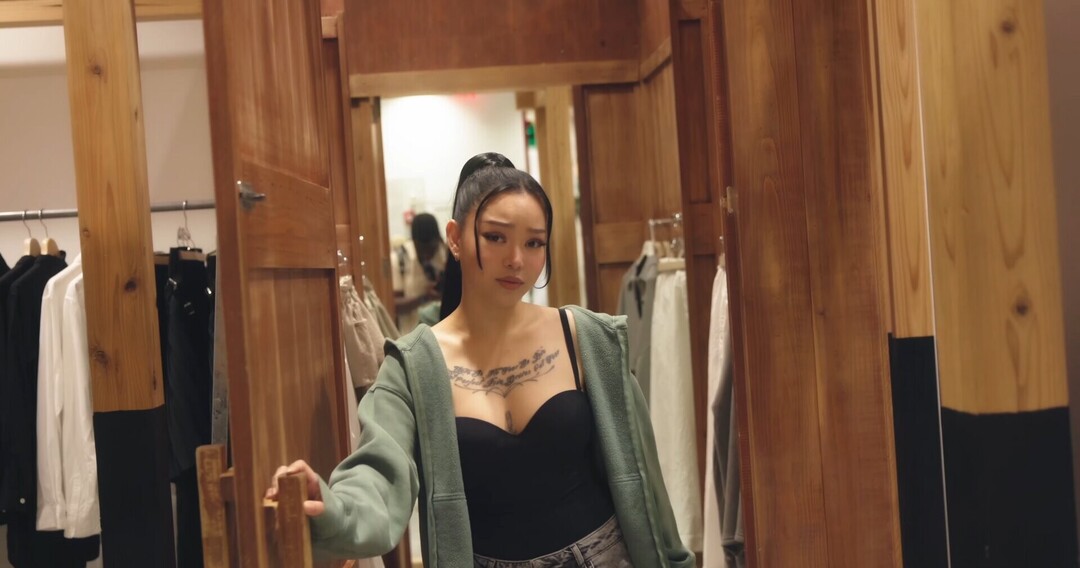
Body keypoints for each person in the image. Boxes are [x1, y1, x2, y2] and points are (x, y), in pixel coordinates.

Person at [266, 153, 694, 567]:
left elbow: (647, 480)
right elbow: (379, 471)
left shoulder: (589, 339)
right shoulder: (413, 365)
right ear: (454, 238)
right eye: (495, 237)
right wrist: (333, 509)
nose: (516, 260)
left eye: (534, 243)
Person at [391, 212, 448, 332]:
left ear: (438, 239)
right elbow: (394, 304)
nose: (427, 254)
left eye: (432, 248)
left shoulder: (446, 254)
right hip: (411, 333)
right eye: (422, 249)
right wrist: (425, 297)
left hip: (445, 330)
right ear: (414, 242)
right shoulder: (400, 259)